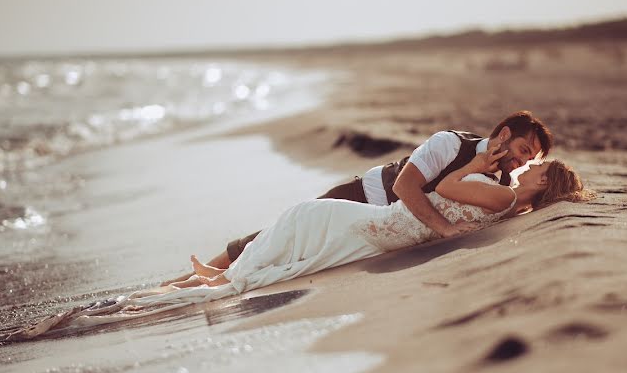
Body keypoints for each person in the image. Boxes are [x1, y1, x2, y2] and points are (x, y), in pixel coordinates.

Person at [13, 144, 590, 339]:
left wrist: (486, 167)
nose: (523, 171)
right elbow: (449, 191)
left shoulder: (506, 198)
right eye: (527, 166)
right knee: (271, 249)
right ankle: (193, 284)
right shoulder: (507, 202)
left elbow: (447, 185)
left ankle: (172, 290)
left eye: (535, 171)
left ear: (542, 187)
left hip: (365, 228)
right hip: (364, 228)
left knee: (273, 245)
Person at [161, 110, 553, 286]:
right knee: (278, 239)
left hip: (385, 228)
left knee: (293, 254)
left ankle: (215, 278)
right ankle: (187, 279)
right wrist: (445, 228)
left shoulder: (502, 181)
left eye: (528, 159)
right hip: (364, 196)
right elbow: (404, 187)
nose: (519, 161)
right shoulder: (449, 143)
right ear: (503, 133)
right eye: (520, 148)